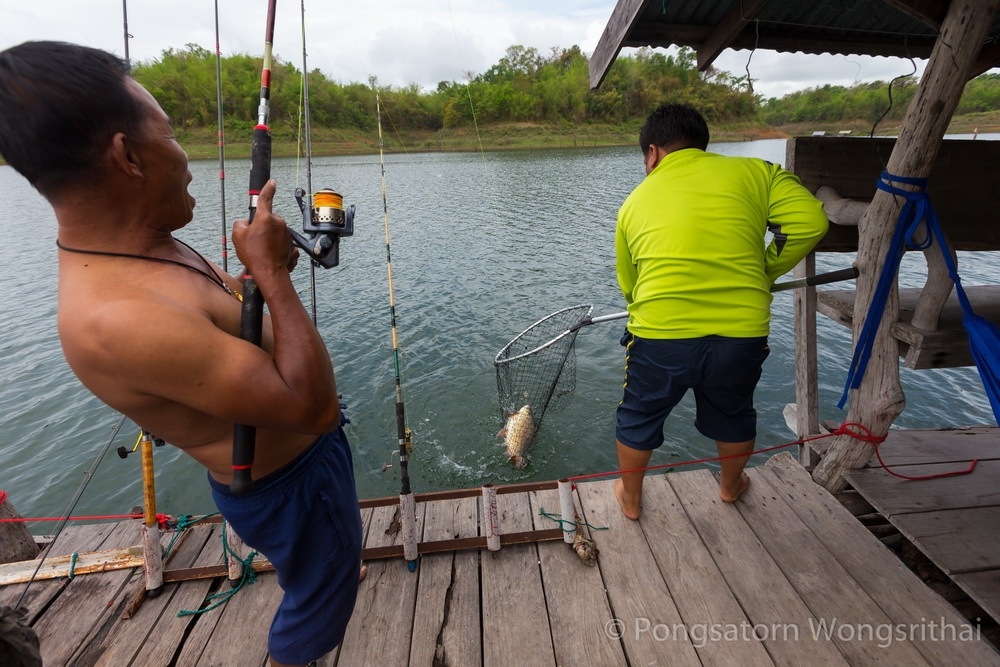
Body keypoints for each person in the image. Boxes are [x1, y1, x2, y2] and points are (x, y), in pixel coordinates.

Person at [0, 41, 362, 667]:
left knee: (324, 576)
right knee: (318, 605)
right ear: (128, 156)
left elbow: (224, 324)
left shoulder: (146, 247)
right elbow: (312, 408)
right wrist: (274, 277)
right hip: (294, 486)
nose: (188, 158)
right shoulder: (118, 318)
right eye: (170, 135)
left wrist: (254, 279)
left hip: (301, 474)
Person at [613, 103, 828, 520]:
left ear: (653, 153)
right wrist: (762, 270)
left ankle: (631, 500)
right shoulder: (758, 173)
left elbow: (629, 285)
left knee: (638, 415)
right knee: (733, 412)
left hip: (659, 334)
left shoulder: (633, 203)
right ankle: (731, 487)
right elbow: (810, 221)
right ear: (701, 143)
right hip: (741, 332)